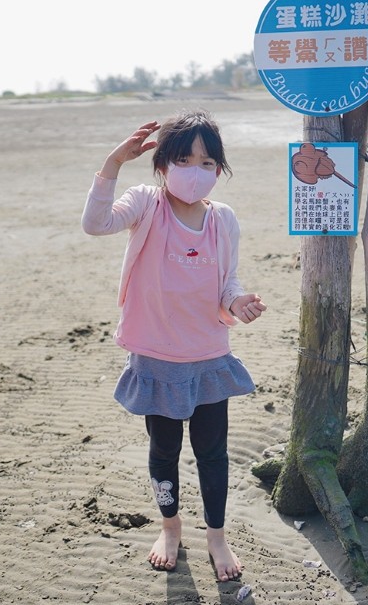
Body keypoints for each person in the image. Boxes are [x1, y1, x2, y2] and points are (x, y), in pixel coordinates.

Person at [81, 110, 266, 582]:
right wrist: (113, 162)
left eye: (207, 162)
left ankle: (217, 537)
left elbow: (228, 282)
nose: (196, 171)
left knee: (213, 453)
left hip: (208, 357)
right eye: (185, 159)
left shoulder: (222, 219)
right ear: (163, 164)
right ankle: (170, 526)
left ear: (219, 170)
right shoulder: (146, 204)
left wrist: (239, 301)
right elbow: (96, 223)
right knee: (163, 451)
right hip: (157, 358)